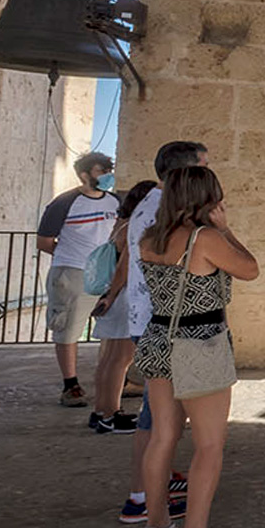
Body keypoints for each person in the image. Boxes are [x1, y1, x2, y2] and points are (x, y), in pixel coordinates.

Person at [134, 166, 259, 528]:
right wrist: (226, 230)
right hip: (200, 343)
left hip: (159, 339)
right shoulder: (205, 239)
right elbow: (250, 268)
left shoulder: (148, 238)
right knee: (209, 444)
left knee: (162, 437)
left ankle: (157, 524)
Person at [112, 141, 207, 524]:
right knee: (159, 419)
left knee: (161, 416)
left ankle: (157, 483)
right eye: (203, 168)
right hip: (163, 326)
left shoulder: (151, 204)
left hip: (152, 323)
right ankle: (141, 499)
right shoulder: (164, 212)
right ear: (185, 174)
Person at [37, 151, 119, 406]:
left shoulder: (115, 202)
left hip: (106, 274)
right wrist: (73, 257)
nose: (106, 175)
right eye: (100, 171)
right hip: (73, 272)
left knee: (113, 329)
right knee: (68, 328)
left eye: (108, 169)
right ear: (84, 175)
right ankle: (70, 385)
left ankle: (114, 378)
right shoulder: (65, 203)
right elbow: (44, 241)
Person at [87, 179, 158, 433]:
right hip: (124, 295)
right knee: (122, 359)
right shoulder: (135, 227)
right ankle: (110, 415)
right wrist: (114, 294)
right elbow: (124, 266)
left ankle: (102, 410)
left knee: (109, 358)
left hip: (114, 295)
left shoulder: (120, 224)